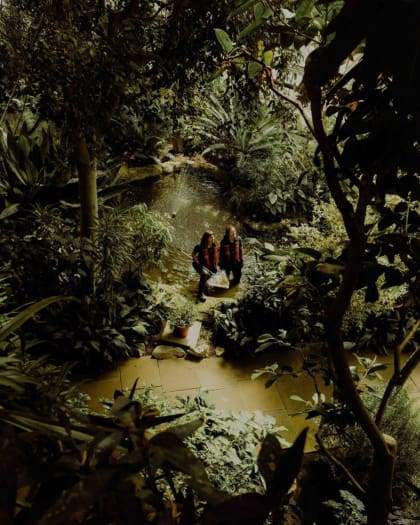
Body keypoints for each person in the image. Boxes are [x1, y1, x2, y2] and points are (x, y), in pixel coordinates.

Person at [192, 231, 219, 302]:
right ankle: (200, 294)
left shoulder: (215, 246)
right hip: (199, 265)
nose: (213, 238)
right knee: (204, 275)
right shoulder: (199, 246)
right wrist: (196, 261)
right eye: (210, 237)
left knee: (213, 272)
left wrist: (216, 265)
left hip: (209, 265)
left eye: (213, 236)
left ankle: (204, 285)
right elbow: (193, 254)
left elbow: (216, 257)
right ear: (206, 238)